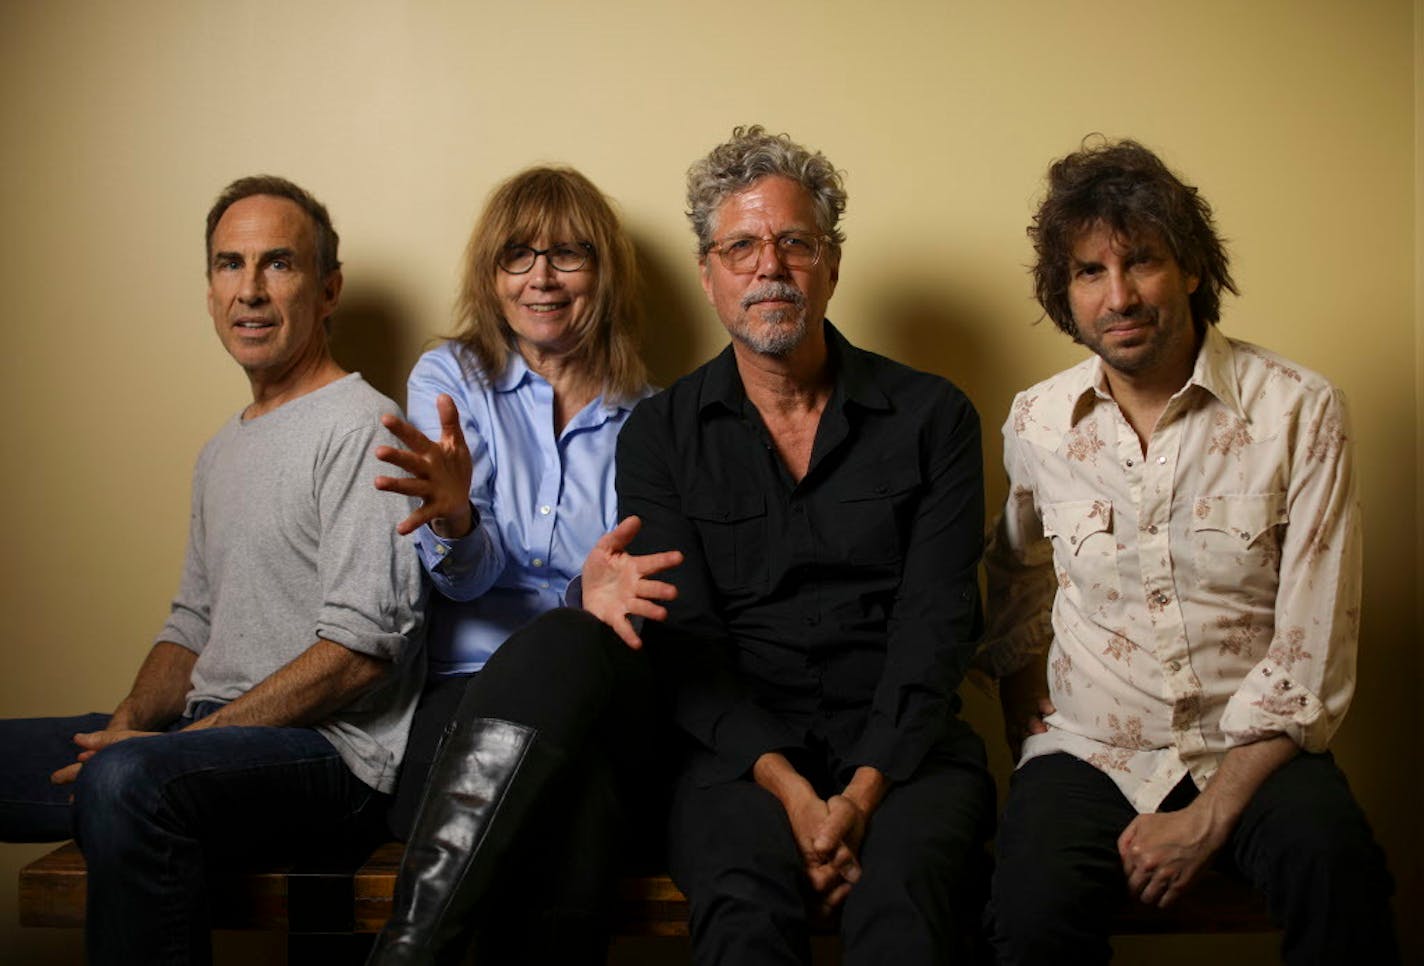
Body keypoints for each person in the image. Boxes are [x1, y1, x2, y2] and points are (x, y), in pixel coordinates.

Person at [980, 138, 1398, 964]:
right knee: (1024, 915)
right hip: (1089, 746)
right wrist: (1021, 682)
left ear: (1193, 268)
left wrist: (1210, 816)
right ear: (1065, 296)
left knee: (1341, 874)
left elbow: (1314, 647)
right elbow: (1016, 570)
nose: (1120, 296)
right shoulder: (1037, 422)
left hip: (1256, 746)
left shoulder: (1300, 413)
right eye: (1089, 273)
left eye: (1142, 262)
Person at [0, 176, 427, 965]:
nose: (251, 291)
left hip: (332, 760)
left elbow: (359, 655)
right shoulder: (222, 451)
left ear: (327, 289)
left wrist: (167, 749)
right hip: (213, 742)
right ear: (209, 291)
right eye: (230, 265)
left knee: (128, 781)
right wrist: (132, 724)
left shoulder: (370, 429)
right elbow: (193, 624)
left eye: (279, 264)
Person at [616, 125, 994, 965]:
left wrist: (857, 797)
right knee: (744, 920)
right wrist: (793, 793)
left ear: (831, 262)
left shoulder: (935, 418)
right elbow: (686, 648)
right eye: (742, 246)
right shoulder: (658, 435)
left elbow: (936, 628)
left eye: (795, 242)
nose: (770, 267)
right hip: (734, 759)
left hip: (906, 753)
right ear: (709, 274)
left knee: (907, 916)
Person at [366, 166, 681, 965]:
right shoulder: (450, 381)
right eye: (518, 255)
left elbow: (630, 592)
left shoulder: (652, 417)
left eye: (568, 254)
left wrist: (585, 594)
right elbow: (462, 579)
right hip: (463, 706)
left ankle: (408, 953)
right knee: (582, 808)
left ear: (602, 274)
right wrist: (460, 518)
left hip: (598, 706)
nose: (541, 276)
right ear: (492, 275)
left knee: (575, 641)